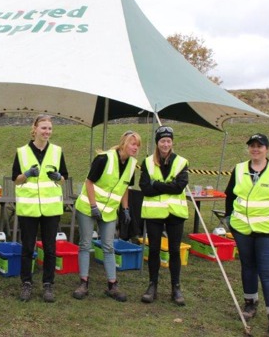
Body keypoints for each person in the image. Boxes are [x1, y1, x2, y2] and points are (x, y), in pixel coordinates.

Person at [224, 133, 269, 337]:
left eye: (260, 146)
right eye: (252, 146)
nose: (255, 149)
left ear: (267, 149)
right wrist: (229, 217)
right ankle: (250, 303)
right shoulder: (239, 169)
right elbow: (230, 194)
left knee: (268, 272)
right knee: (248, 266)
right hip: (242, 229)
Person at [72, 130, 141, 302]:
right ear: (124, 143)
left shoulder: (132, 164)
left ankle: (112, 285)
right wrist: (94, 206)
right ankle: (83, 283)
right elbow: (89, 182)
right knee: (85, 243)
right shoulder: (104, 158)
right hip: (88, 207)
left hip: (109, 211)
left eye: (138, 145)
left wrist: (125, 209)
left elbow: (125, 187)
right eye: (133, 144)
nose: (136, 148)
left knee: (108, 246)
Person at [11, 115, 69, 303]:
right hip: (29, 208)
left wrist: (57, 176)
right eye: (43, 128)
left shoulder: (57, 151)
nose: (47, 132)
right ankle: (26, 283)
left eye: (50, 129)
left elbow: (63, 179)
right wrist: (26, 175)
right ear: (34, 129)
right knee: (28, 247)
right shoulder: (21, 152)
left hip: (51, 209)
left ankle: (48, 285)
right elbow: (16, 180)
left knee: (50, 248)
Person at [138, 125, 189, 306]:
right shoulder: (147, 162)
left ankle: (176, 287)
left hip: (175, 214)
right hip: (154, 213)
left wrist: (157, 185)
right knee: (153, 250)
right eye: (162, 141)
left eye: (168, 141)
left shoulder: (181, 162)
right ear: (157, 143)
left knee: (174, 251)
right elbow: (144, 188)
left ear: (172, 142)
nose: (165, 144)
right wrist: (166, 186)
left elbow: (179, 187)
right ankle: (152, 285)